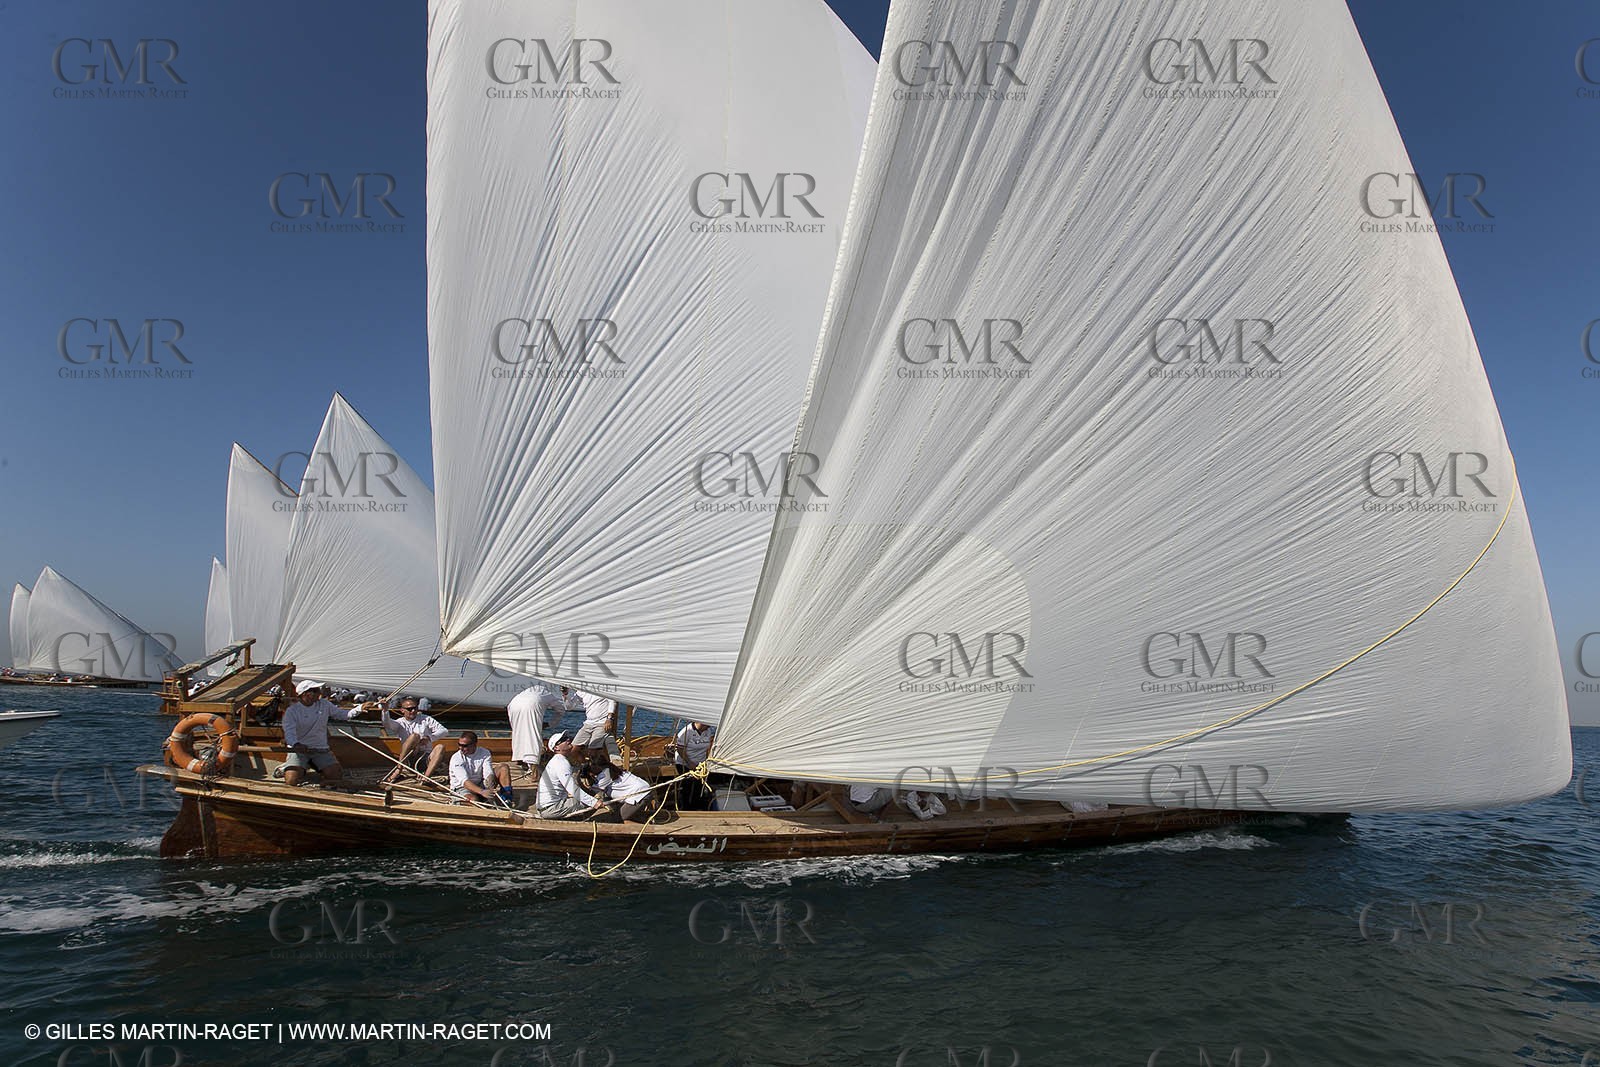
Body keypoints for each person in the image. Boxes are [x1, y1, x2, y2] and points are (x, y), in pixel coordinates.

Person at [280, 680, 364, 788]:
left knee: (335, 776)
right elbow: (289, 732)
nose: (319, 692)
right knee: (291, 780)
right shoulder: (292, 711)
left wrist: (360, 709)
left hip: (320, 749)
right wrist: (296, 744)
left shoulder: (325, 704)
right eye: (315, 690)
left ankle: (310, 765)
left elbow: (342, 714)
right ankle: (297, 766)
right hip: (299, 750)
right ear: (306, 694)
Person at [380, 697, 449, 782]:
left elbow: (444, 731)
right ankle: (399, 768)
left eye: (415, 708)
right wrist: (385, 710)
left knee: (440, 747)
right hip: (408, 759)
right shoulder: (399, 723)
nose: (413, 711)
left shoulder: (425, 719)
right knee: (414, 737)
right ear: (402, 710)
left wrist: (429, 738)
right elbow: (387, 724)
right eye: (409, 709)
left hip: (426, 759)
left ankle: (426, 777)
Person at [536, 732, 604, 820]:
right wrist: (594, 802)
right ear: (556, 748)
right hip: (551, 808)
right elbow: (572, 788)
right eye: (563, 740)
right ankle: (575, 822)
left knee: (589, 796)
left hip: (547, 807)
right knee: (598, 798)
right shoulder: (560, 763)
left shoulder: (559, 760)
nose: (568, 740)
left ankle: (572, 819)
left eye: (567, 737)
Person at [506, 682, 566, 771]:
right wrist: (551, 724)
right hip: (531, 704)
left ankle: (521, 760)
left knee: (518, 733)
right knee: (533, 736)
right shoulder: (548, 694)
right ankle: (533, 768)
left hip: (513, 705)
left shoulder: (526, 692)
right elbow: (561, 709)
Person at [449, 730, 512, 806]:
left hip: (480, 783)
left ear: (474, 744)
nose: (461, 748)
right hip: (462, 788)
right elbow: (465, 782)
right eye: (459, 745)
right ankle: (461, 801)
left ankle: (507, 799)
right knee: (475, 801)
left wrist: (489, 782)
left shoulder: (484, 753)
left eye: (464, 746)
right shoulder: (456, 758)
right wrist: (482, 792)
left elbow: (488, 771)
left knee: (503, 768)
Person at [589, 752, 653, 823]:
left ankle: (649, 818)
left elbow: (591, 790)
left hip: (640, 795)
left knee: (618, 818)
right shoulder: (611, 768)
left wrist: (584, 779)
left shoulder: (605, 776)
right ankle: (647, 816)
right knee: (619, 810)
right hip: (643, 790)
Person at [570, 688, 619, 757]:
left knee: (592, 751)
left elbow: (612, 701)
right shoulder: (580, 691)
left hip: (602, 723)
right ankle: (584, 765)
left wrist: (609, 719)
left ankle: (596, 766)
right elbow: (569, 706)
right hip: (588, 724)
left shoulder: (603, 687)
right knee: (573, 750)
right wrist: (566, 694)